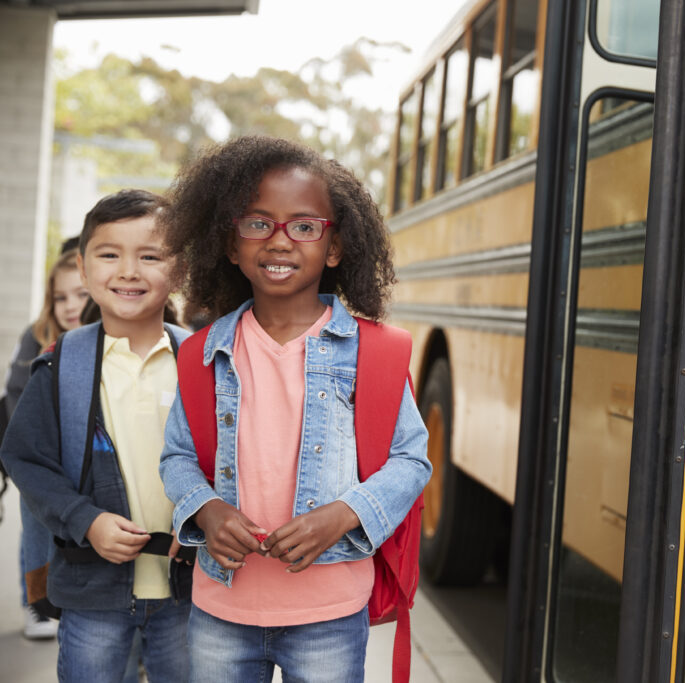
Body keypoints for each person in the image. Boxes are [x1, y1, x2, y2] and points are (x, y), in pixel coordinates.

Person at [158, 135, 431, 683]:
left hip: (329, 612)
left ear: (335, 247)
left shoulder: (374, 353)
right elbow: (177, 456)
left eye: (304, 226)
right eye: (258, 223)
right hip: (222, 608)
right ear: (230, 244)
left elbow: (411, 460)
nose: (280, 241)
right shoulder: (202, 352)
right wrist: (207, 511)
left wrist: (345, 514)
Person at [0, 189, 192, 682]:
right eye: (110, 255)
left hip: (190, 596)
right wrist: (84, 520)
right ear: (83, 271)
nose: (129, 271)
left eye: (150, 256)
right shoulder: (61, 365)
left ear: (180, 271)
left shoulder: (203, 364)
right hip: (92, 594)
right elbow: (27, 460)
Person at [4, 248, 89, 639]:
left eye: (80, 295)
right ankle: (37, 602)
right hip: (46, 454)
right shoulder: (37, 337)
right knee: (35, 509)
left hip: (91, 459)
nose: (70, 306)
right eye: (60, 297)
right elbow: (17, 397)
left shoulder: (108, 339)